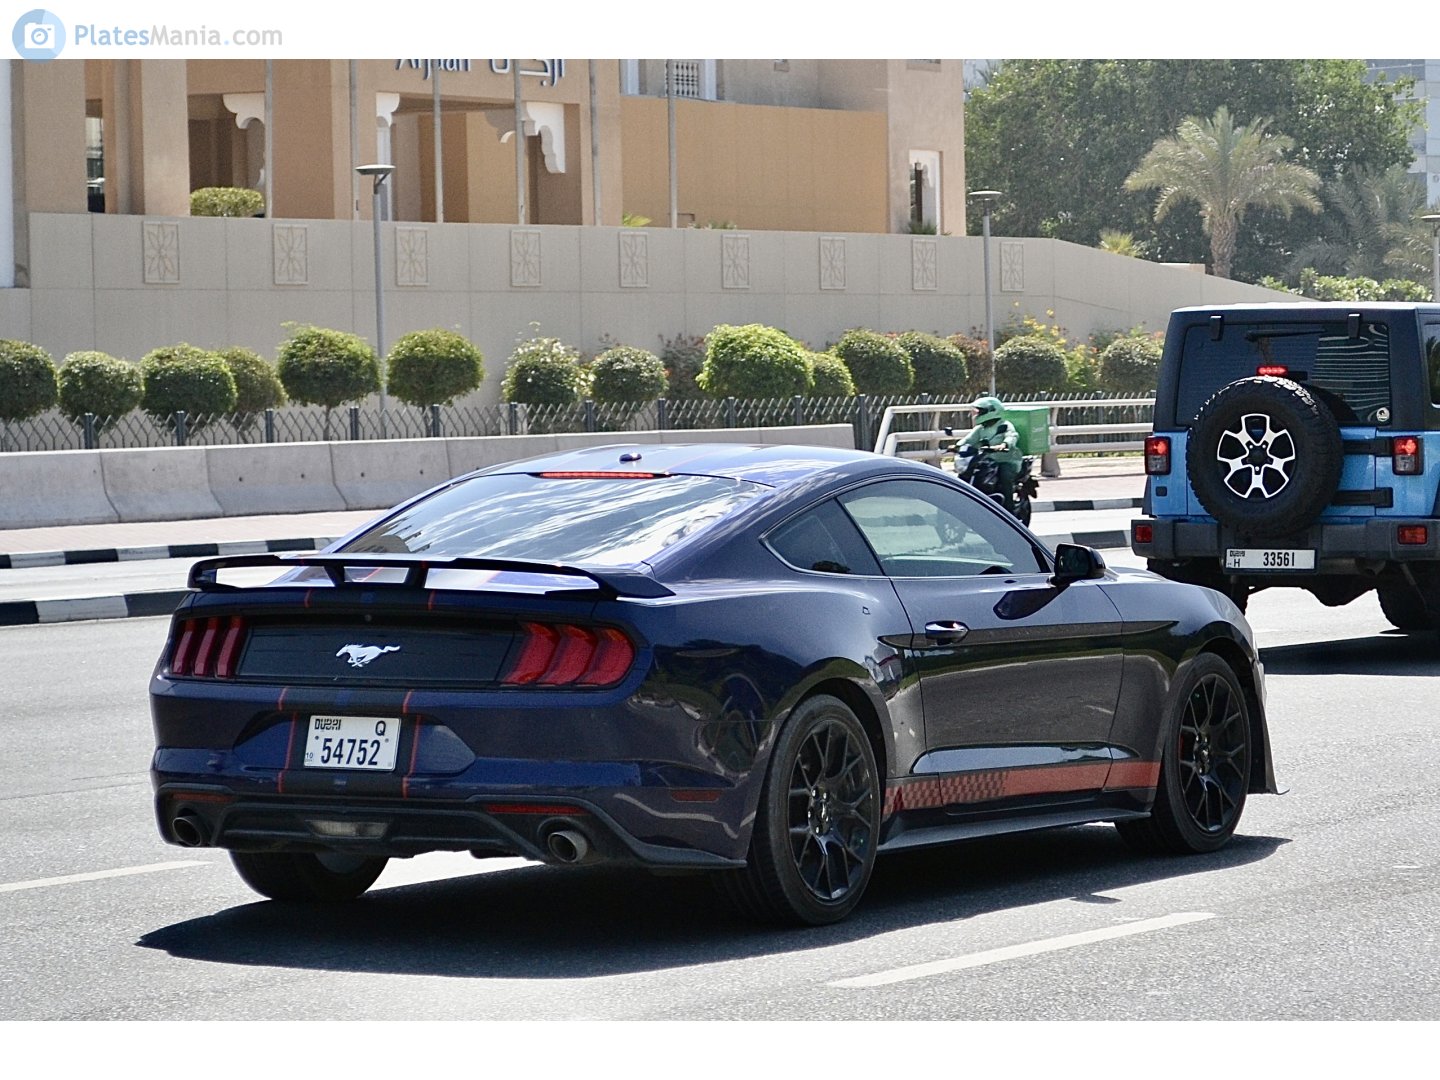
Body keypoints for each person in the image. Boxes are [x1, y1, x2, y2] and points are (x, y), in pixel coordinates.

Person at [959, 395, 1022, 512]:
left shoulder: (1004, 425)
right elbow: (969, 440)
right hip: (987, 460)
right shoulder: (981, 428)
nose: (978, 415)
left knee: (1005, 476)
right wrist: (956, 446)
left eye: (981, 411)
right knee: (969, 473)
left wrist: (1004, 445)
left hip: (1007, 460)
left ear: (992, 410)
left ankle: (1010, 510)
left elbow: (1012, 436)